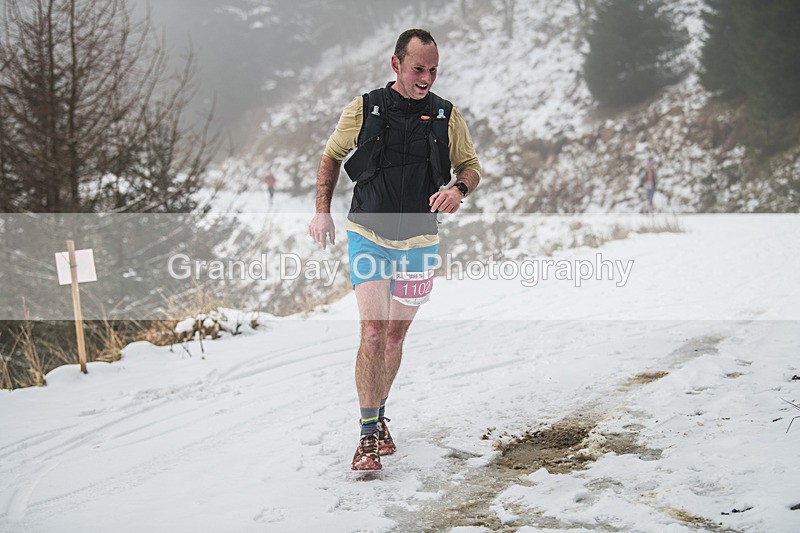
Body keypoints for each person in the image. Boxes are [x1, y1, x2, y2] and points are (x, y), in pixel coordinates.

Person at [308, 29, 481, 471]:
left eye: (433, 70)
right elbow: (331, 156)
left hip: (420, 240)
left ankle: (379, 416)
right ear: (396, 64)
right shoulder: (366, 108)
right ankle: (368, 436)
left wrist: (458, 189)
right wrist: (322, 211)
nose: (426, 78)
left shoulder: (446, 115)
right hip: (368, 231)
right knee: (372, 331)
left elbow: (470, 166)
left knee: (394, 338)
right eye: (418, 68)